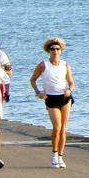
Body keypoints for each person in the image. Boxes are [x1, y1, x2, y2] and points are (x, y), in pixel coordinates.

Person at [30, 37, 75, 168]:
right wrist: (39, 93)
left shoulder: (65, 65)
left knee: (63, 129)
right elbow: (32, 80)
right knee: (57, 127)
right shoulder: (43, 65)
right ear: (48, 51)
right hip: (51, 98)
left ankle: (60, 156)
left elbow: (71, 81)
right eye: (52, 49)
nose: (55, 51)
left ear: (61, 51)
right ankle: (54, 155)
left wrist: (70, 89)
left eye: (57, 49)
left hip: (65, 98)